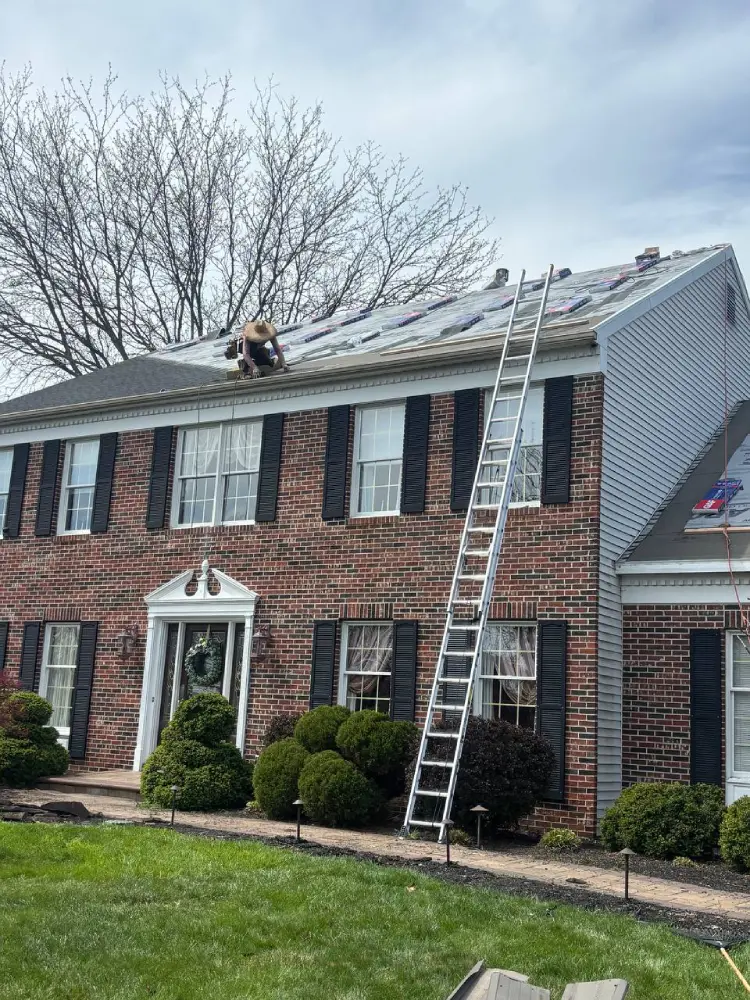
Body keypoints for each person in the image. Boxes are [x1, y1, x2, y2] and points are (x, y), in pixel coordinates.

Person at [224, 320, 289, 379]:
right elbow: (246, 354)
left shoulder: (270, 334)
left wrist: (283, 363)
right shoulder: (247, 336)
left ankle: (262, 362)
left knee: (265, 360)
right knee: (252, 352)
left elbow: (277, 349)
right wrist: (254, 368)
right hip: (245, 347)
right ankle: (245, 366)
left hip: (258, 349)